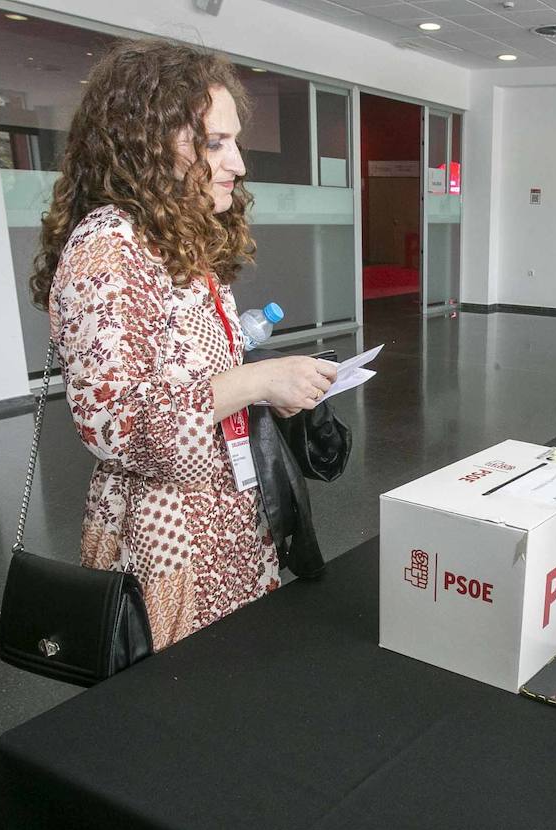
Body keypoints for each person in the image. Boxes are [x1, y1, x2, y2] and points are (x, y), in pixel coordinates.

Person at [31, 41, 338, 650]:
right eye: (215, 143)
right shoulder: (107, 250)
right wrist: (256, 382)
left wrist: (264, 390)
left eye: (234, 142)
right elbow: (116, 425)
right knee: (177, 712)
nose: (238, 163)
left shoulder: (172, 239)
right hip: (165, 541)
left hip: (225, 522)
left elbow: (194, 380)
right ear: (146, 143)